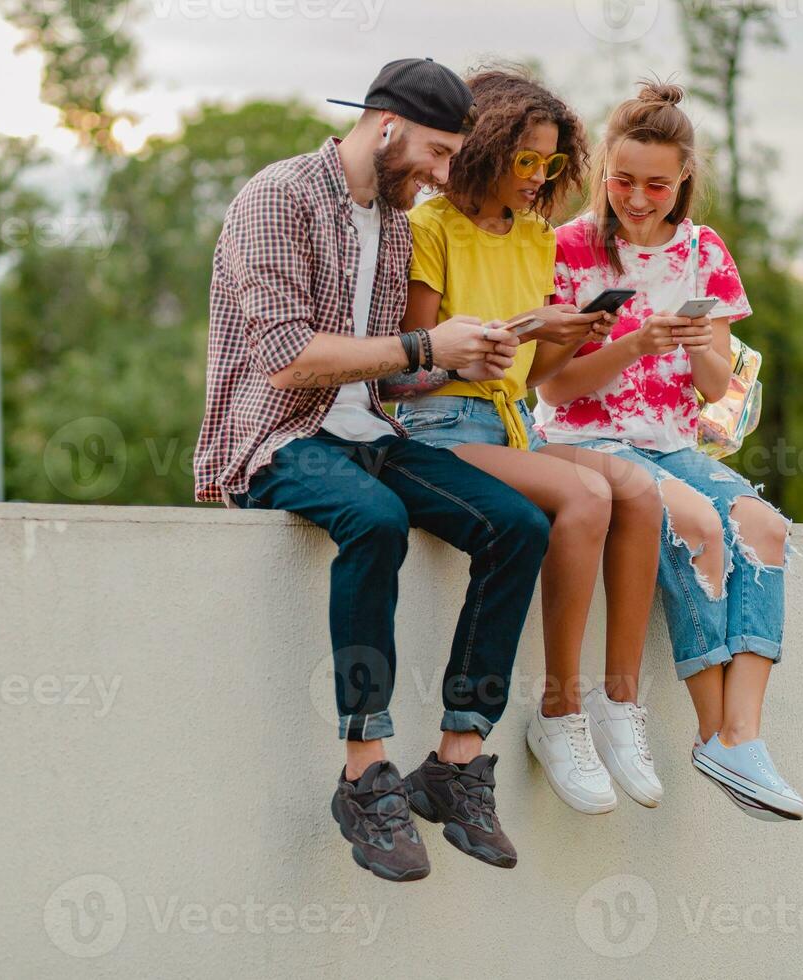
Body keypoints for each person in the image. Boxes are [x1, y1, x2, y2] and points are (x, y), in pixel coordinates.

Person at [194, 58, 553, 882]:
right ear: (385, 125)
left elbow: (387, 374)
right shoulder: (276, 197)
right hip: (274, 438)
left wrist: (466, 351)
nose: (439, 174)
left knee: (519, 525)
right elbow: (288, 360)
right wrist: (427, 343)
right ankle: (365, 772)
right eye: (433, 153)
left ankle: (456, 758)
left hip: (369, 428)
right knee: (376, 520)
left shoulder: (392, 223)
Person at [380, 67, 667, 816]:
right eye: (526, 161)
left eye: (550, 163)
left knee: (636, 490)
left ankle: (619, 705)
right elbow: (402, 374)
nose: (540, 179)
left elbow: (536, 378)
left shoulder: (537, 237)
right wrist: (475, 348)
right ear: (483, 149)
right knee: (583, 492)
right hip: (436, 430)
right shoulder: (430, 227)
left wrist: (573, 334)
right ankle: (559, 713)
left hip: (512, 428)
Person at [537, 80, 803, 821]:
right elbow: (555, 391)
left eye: (657, 184)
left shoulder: (704, 252)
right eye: (622, 180)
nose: (638, 198)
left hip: (673, 444)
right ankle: (711, 732)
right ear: (603, 173)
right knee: (694, 523)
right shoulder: (569, 251)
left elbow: (716, 382)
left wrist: (694, 348)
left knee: (765, 528)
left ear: (684, 176)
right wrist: (631, 346)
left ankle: (740, 739)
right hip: (581, 440)